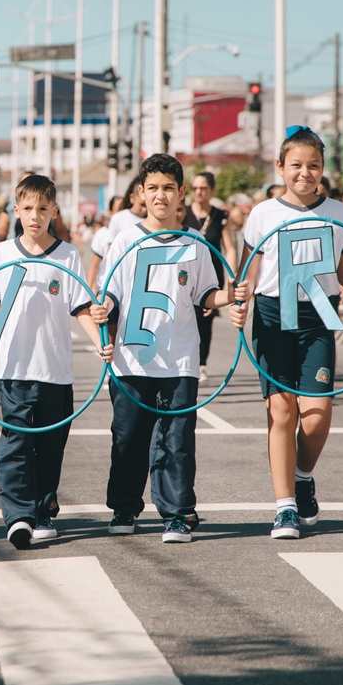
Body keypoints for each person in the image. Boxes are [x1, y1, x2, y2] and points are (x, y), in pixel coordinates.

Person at [237, 126, 343, 539]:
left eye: (313, 166)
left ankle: (303, 475)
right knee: (282, 412)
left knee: (317, 414)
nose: (304, 173)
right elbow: (246, 275)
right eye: (296, 165)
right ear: (280, 167)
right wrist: (239, 299)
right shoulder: (263, 214)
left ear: (323, 169)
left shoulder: (338, 213)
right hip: (273, 317)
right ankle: (285, 507)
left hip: (320, 316)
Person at [0, 174, 112, 549]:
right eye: (27, 209)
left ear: (55, 211)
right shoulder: (3, 254)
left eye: (43, 209)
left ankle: (43, 507)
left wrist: (101, 345)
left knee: (52, 444)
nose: (35, 216)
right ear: (16, 211)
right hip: (15, 368)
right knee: (17, 440)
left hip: (56, 368)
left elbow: (81, 308)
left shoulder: (68, 254)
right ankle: (18, 515)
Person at [99, 155, 249, 543]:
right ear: (140, 194)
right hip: (132, 358)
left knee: (177, 439)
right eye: (153, 188)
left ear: (181, 192)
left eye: (168, 187)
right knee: (128, 436)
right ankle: (125, 506)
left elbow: (205, 295)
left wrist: (230, 297)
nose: (160, 195)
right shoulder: (125, 240)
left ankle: (177, 512)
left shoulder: (196, 243)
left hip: (180, 357)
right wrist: (105, 311)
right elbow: (111, 293)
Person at [187, 171, 239, 382]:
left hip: (212, 272)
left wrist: (232, 276)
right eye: (195, 188)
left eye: (204, 188)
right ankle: (186, 359)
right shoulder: (183, 213)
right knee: (186, 315)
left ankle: (201, 363)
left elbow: (229, 248)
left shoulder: (219, 216)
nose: (199, 192)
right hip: (188, 272)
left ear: (212, 190)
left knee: (206, 319)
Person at [88, 177, 146, 290]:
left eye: (146, 206)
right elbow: (110, 252)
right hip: (118, 278)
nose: (144, 210)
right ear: (132, 198)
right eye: (142, 205)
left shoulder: (152, 221)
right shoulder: (119, 218)